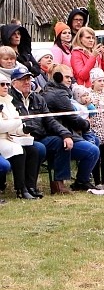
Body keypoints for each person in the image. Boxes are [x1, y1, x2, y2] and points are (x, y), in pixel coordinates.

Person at [40, 65, 102, 192]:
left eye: (71, 77)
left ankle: (84, 180)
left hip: (68, 132)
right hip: (59, 136)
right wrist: (87, 124)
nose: (70, 80)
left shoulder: (59, 91)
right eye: (67, 77)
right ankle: (81, 181)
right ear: (57, 77)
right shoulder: (59, 94)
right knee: (92, 151)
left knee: (95, 140)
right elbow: (73, 119)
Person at [7, 66, 55, 198]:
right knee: (27, 150)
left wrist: (65, 134)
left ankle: (31, 186)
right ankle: (21, 189)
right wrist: (26, 128)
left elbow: (49, 119)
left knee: (38, 148)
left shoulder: (37, 97)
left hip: (30, 136)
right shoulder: (9, 99)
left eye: (28, 79)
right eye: (22, 80)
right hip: (11, 136)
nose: (27, 82)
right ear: (13, 83)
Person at [0, 71, 35, 200]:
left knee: (33, 150)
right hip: (1, 138)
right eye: (2, 84)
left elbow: (14, 123)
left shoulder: (8, 101)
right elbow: (1, 126)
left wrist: (24, 130)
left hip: (11, 137)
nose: (5, 87)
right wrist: (19, 122)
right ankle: (20, 189)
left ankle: (30, 187)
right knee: (18, 150)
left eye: (7, 84)